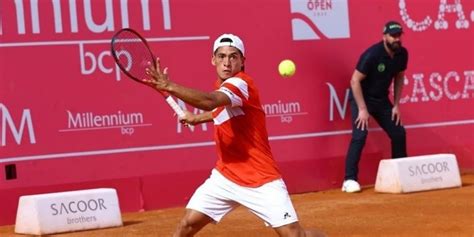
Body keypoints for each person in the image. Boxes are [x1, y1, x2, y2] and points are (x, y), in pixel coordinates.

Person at [143, 34, 326, 236]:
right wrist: (197, 119)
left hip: (260, 178)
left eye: (233, 57)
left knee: (294, 235)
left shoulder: (240, 84)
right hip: (226, 176)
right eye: (221, 56)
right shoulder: (224, 87)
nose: (227, 62)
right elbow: (221, 111)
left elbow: (210, 101)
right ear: (213, 60)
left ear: (242, 61)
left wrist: (169, 86)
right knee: (187, 224)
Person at [342, 21, 409, 193]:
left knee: (398, 132)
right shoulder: (372, 55)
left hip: (381, 100)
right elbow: (354, 81)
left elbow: (399, 77)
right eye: (393, 36)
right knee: (360, 135)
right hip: (361, 99)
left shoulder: (402, 54)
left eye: (398, 35)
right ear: (384, 36)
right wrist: (362, 109)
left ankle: (400, 174)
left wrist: (396, 105)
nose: (396, 39)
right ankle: (349, 179)